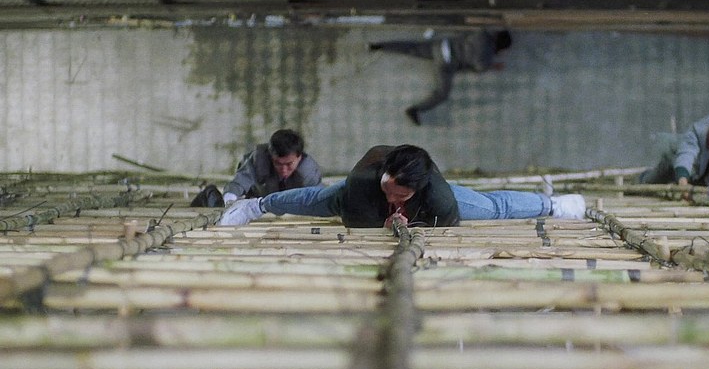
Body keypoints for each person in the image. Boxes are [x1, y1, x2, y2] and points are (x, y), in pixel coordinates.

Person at [218, 144, 586, 227]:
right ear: (385, 174)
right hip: (363, 199)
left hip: (423, 208)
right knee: (317, 199)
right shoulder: (361, 184)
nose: (394, 196)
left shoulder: (438, 195)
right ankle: (256, 206)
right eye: (390, 187)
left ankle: (554, 205)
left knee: (492, 207)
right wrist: (384, 221)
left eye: (402, 194)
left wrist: (415, 221)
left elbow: (446, 225)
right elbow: (355, 221)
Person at [368, 29, 512, 125]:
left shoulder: (482, 33)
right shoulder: (486, 60)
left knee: (412, 48)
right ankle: (415, 110)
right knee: (442, 94)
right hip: (446, 63)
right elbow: (473, 69)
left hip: (442, 45)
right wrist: (493, 66)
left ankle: (379, 46)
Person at [190, 129, 322, 207]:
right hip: (255, 206)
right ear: (270, 156)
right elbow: (238, 184)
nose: (283, 170)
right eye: (278, 163)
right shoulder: (259, 160)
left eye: (289, 164)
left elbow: (319, 199)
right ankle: (209, 193)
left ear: (299, 157)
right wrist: (228, 203)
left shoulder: (309, 172)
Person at [639, 108, 709, 189]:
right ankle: (642, 179)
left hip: (708, 181)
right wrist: (683, 182)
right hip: (677, 166)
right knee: (651, 182)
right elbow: (686, 154)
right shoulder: (698, 130)